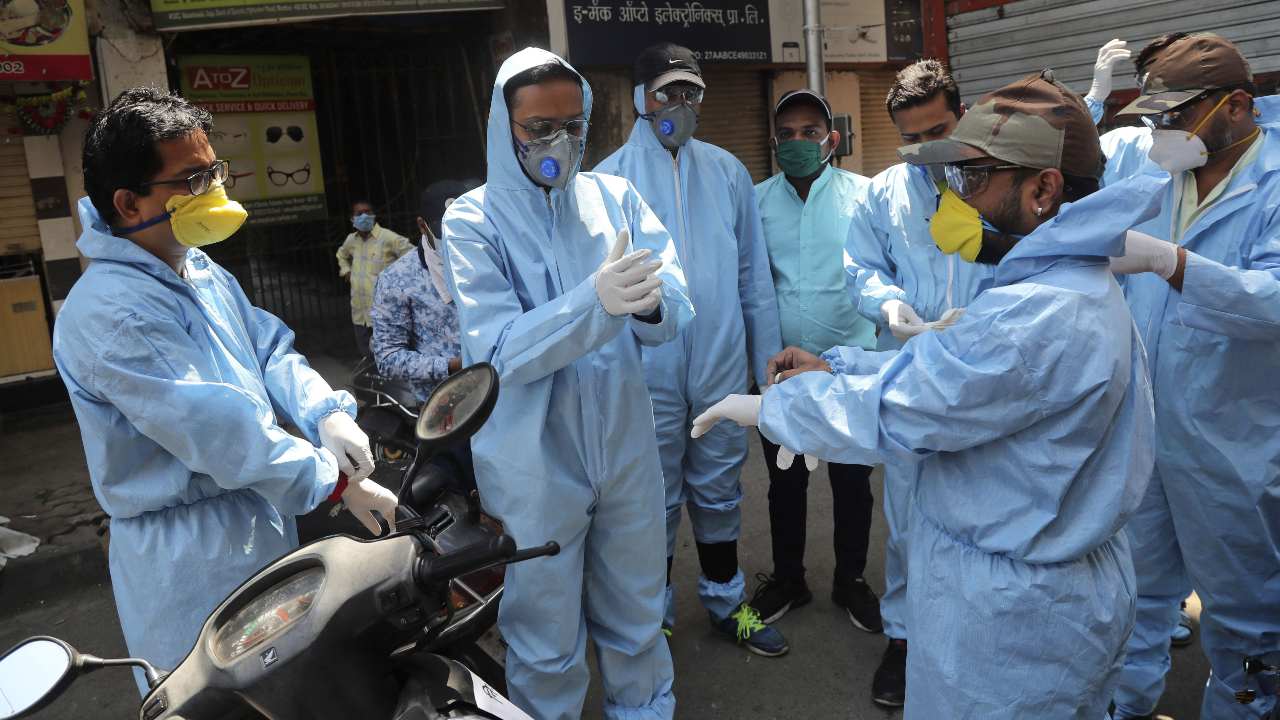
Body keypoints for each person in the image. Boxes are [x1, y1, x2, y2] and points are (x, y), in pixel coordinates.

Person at [693, 70, 1160, 718]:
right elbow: (941, 370)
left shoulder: (1038, 315)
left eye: (975, 177)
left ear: (1043, 189)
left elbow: (905, 407)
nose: (956, 194)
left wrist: (771, 406)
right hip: (1027, 585)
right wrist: (838, 364)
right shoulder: (1057, 286)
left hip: (1015, 621)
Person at [52, 87, 398, 690]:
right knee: (226, 697)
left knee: (292, 689)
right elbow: (222, 434)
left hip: (257, 518)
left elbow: (265, 347)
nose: (212, 190)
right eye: (193, 180)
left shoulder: (195, 267)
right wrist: (335, 482)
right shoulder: (113, 313)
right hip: (192, 557)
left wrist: (323, 412)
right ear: (129, 203)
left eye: (215, 172)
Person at [441, 47, 694, 720]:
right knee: (545, 639)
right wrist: (595, 302)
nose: (560, 141)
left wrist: (652, 306)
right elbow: (498, 354)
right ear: (504, 127)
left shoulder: (615, 198)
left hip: (624, 445)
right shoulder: (473, 220)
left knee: (638, 618)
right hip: (533, 463)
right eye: (539, 127)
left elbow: (674, 305)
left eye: (573, 125)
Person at [1107, 32, 1280, 720]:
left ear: (1235, 105)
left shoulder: (1273, 183)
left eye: (1175, 117)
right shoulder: (1160, 173)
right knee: (1137, 592)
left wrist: (1173, 263)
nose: (1162, 134)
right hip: (1146, 429)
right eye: (1155, 118)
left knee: (1247, 618)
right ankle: (1126, 705)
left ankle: (1245, 707)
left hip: (1232, 444)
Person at [594, 42, 784, 656]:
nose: (680, 104)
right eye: (667, 92)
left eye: (691, 92)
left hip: (721, 363)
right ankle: (655, 617)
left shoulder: (727, 172)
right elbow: (600, 295)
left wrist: (768, 370)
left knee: (721, 485)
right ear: (640, 100)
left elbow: (754, 278)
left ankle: (727, 602)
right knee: (652, 496)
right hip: (645, 368)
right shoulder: (606, 183)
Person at [842, 58, 995, 707]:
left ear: (962, 114)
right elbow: (859, 267)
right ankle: (904, 638)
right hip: (910, 371)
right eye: (912, 138)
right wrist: (888, 306)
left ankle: (980, 635)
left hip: (990, 376)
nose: (926, 148)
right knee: (907, 517)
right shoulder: (882, 194)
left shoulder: (997, 178)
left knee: (989, 510)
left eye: (938, 131)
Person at [747, 89, 882, 637]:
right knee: (785, 483)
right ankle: (788, 579)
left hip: (847, 368)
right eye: (786, 134)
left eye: (810, 132)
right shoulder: (755, 202)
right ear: (773, 142)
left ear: (833, 140)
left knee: (852, 482)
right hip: (780, 372)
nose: (797, 142)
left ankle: (851, 580)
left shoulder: (864, 197)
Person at [370, 182, 474, 405]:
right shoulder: (397, 280)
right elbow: (388, 357)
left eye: (463, 228)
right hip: (446, 409)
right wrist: (450, 365)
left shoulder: (495, 260)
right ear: (422, 226)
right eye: (447, 231)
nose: (456, 239)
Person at [336, 199, 412, 357]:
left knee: (386, 354)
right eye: (359, 213)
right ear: (352, 218)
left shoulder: (388, 237)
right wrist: (346, 270)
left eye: (368, 212)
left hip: (383, 311)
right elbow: (341, 254)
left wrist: (401, 282)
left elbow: (412, 255)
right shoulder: (352, 240)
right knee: (366, 353)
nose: (364, 216)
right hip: (360, 311)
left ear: (374, 215)